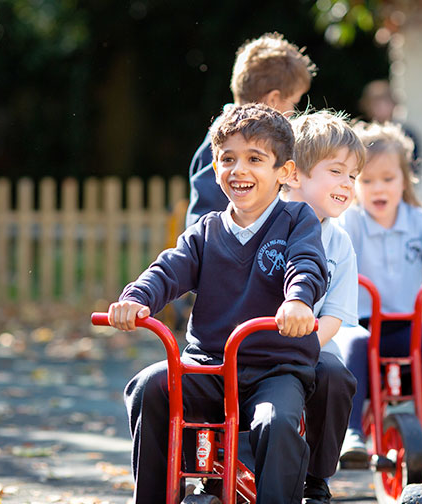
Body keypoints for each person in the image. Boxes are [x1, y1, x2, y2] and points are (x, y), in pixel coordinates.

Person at [109, 103, 328, 504]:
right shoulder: (205, 231)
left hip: (275, 368)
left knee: (277, 423)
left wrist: (298, 301)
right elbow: (169, 269)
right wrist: (136, 298)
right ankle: (156, 497)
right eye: (228, 159)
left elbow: (307, 264)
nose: (239, 170)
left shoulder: (298, 219)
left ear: (286, 172)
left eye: (254, 159)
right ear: (214, 168)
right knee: (150, 388)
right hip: (209, 365)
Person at [335, 121, 422, 465]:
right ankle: (351, 433)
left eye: (388, 179)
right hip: (361, 325)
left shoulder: (419, 222)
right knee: (352, 342)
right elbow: (333, 256)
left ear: (404, 179)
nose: (377, 188)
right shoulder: (350, 221)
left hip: (404, 330)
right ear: (353, 183)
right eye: (366, 180)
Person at [282, 110, 365, 504]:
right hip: (254, 346)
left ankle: (316, 476)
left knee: (335, 377)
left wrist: (308, 342)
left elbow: (334, 314)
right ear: (295, 174)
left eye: (352, 176)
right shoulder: (265, 224)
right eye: (337, 171)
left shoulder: (339, 244)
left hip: (311, 346)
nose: (348, 184)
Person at [186, 32, 317, 228]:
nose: (292, 114)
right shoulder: (223, 142)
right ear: (273, 100)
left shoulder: (267, 141)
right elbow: (202, 220)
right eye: (294, 104)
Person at [358, 79, 422, 173]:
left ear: (393, 104)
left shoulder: (406, 134)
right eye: (376, 104)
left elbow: (414, 166)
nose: (380, 108)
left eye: (385, 103)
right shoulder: (363, 133)